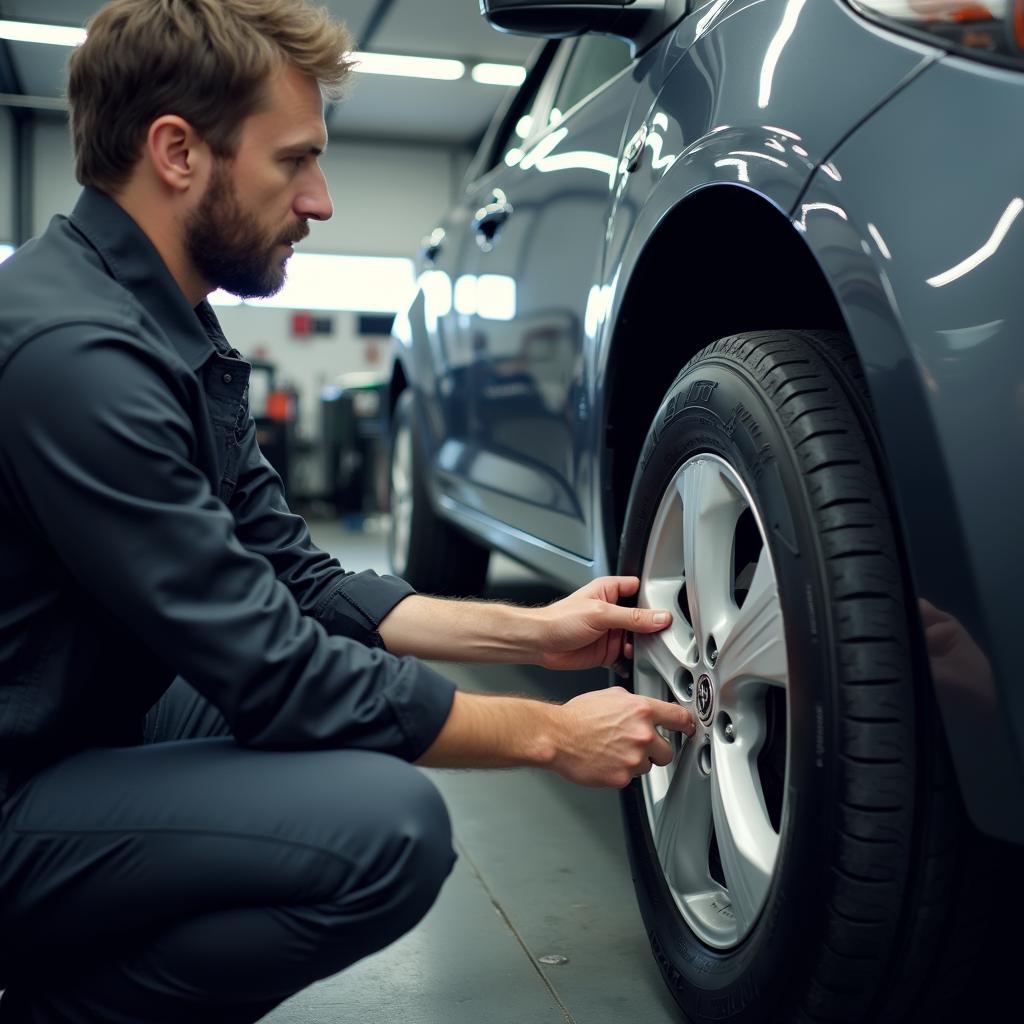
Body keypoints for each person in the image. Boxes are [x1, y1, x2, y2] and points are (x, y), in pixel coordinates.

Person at [0, 1, 695, 1021]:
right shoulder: (77, 357)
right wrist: (550, 737)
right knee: (389, 826)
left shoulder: (166, 327)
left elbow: (303, 581)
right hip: (19, 785)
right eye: (295, 162)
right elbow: (273, 669)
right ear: (176, 152)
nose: (320, 200)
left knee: (363, 712)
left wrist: (539, 631)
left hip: (77, 709)